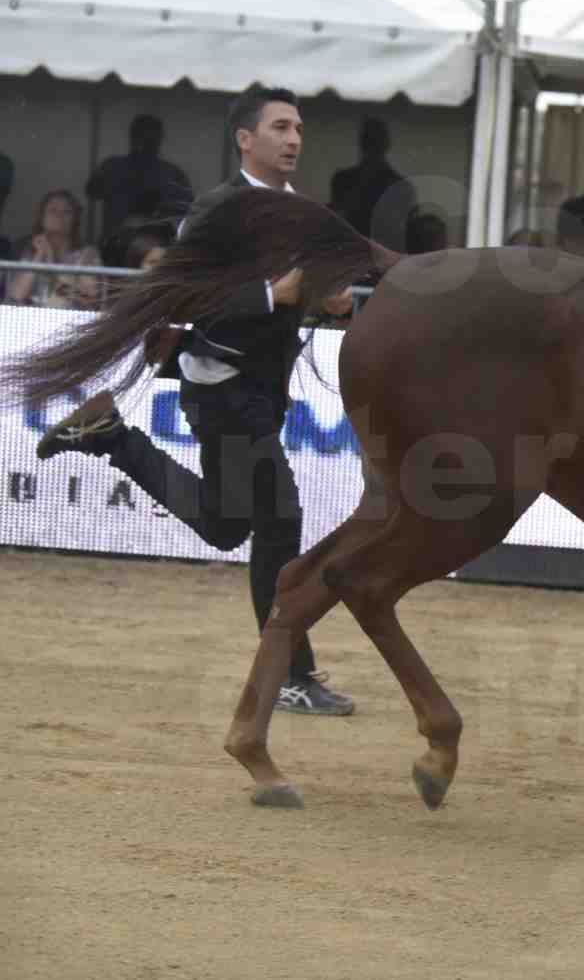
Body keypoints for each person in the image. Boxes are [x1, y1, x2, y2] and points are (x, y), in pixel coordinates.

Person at [33, 85, 356, 717]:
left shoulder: (303, 214)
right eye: (281, 127)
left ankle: (110, 438)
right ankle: (289, 674)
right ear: (245, 139)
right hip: (223, 390)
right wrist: (276, 295)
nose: (294, 139)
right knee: (280, 523)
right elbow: (187, 299)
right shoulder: (215, 212)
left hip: (260, 393)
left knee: (227, 523)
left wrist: (327, 298)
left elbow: (301, 292)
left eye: (298, 129)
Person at [86, 114, 193, 240]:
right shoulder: (112, 166)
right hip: (115, 243)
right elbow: (91, 192)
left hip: (154, 245)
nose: (145, 141)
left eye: (150, 137)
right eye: (141, 136)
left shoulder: (172, 173)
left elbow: (185, 210)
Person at [5, 190, 105, 310]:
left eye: (67, 211)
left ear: (75, 220)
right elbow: (15, 296)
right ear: (42, 218)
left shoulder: (87, 254)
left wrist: (51, 262)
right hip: (30, 323)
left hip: (72, 322)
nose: (59, 215)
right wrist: (39, 256)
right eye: (53, 210)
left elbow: (91, 299)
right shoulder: (30, 252)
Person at [330, 117, 413, 251]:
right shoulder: (400, 186)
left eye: (374, 141)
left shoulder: (343, 180)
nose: (373, 146)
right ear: (387, 144)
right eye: (371, 140)